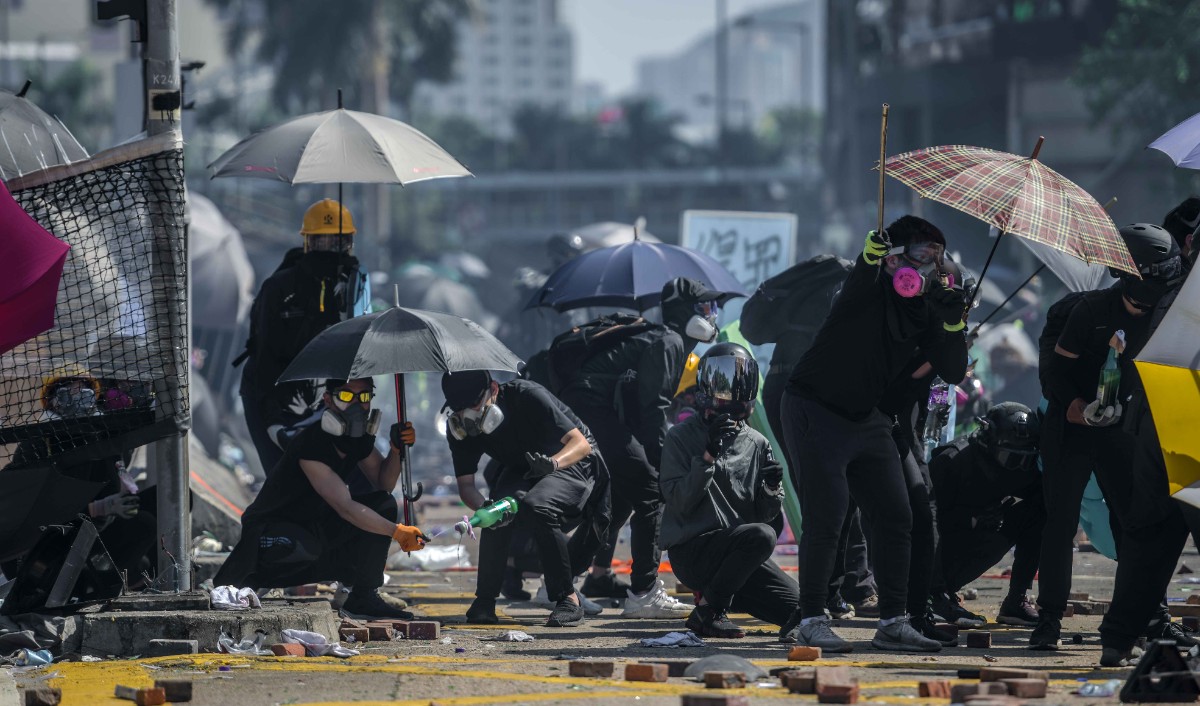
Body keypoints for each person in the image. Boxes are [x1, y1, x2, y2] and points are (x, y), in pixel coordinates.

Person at [779, 216, 968, 653]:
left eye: (939, 258)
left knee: (897, 515)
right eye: (923, 255)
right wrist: (869, 258)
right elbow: (860, 278)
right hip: (814, 408)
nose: (932, 267)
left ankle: (894, 622)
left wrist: (953, 323)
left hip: (869, 418)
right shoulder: (863, 288)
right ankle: (811, 618)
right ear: (894, 260)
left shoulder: (925, 310)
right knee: (828, 515)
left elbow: (954, 370)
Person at [1031, 223, 1176, 650]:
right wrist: (1073, 405)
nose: (1143, 305)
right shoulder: (1088, 311)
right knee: (1060, 523)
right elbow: (1056, 370)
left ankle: (1142, 617)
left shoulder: (1164, 313)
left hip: (1121, 430)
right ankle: (1049, 620)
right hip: (1071, 426)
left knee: (1133, 523)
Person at [564, 277, 730, 619]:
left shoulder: (669, 340)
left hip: (592, 411)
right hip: (591, 410)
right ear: (685, 311)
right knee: (651, 491)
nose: (712, 315)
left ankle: (559, 581)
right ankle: (644, 592)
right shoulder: (668, 340)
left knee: (622, 499)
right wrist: (662, 462)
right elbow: (652, 411)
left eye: (714, 307)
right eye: (705, 307)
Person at [214, 378, 425, 621]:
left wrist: (397, 450)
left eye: (364, 397)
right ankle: (253, 579)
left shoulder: (355, 441)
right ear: (328, 400)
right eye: (347, 396)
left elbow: (383, 483)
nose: (357, 404)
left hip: (313, 526)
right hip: (272, 533)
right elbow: (345, 507)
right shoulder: (311, 444)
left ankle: (363, 597)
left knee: (382, 504)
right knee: (304, 547)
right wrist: (397, 532)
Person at [741, 255, 879, 620]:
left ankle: (842, 587)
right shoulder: (850, 286)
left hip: (785, 386)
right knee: (832, 493)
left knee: (828, 490)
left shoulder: (820, 285)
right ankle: (838, 591)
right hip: (813, 390)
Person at [1098, 229, 1197, 667]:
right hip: (1191, 417)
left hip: (1155, 412)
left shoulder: (1172, 292)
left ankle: (1116, 640)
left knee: (1148, 539)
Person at [442, 370, 609, 628]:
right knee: (497, 509)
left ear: (493, 390)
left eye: (474, 406)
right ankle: (484, 602)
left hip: (570, 461)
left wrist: (553, 463)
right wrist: (484, 509)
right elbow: (466, 487)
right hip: (524, 467)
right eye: (459, 409)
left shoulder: (526, 395)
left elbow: (580, 444)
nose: (468, 415)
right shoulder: (460, 429)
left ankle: (567, 598)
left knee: (537, 506)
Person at [660, 343, 800, 639]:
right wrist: (707, 457)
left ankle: (717, 600)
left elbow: (766, 519)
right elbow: (680, 504)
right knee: (760, 536)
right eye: (725, 380)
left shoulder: (757, 442)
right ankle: (710, 611)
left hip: (738, 556)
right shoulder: (680, 437)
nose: (734, 391)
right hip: (693, 552)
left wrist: (772, 489)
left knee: (803, 612)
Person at [236, 200, 370, 477]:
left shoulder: (354, 288)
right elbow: (265, 360)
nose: (330, 249)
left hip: (324, 399)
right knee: (283, 482)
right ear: (309, 243)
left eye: (338, 242)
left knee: (342, 483)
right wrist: (275, 424)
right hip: (270, 395)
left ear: (349, 244)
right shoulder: (279, 288)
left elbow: (356, 357)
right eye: (322, 241)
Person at [4, 368, 158, 587]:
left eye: (84, 394)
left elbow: (113, 484)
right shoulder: (39, 444)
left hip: (95, 530)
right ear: (53, 402)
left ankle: (145, 580)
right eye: (68, 394)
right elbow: (36, 514)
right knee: (144, 524)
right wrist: (96, 509)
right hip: (52, 547)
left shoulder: (100, 436)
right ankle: (88, 584)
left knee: (159, 503)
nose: (77, 400)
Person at [927, 402, 1045, 628]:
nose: (1018, 467)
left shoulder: (1021, 466)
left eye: (1025, 460)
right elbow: (924, 525)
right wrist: (970, 519)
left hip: (978, 539)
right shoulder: (951, 463)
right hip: (937, 555)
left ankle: (1016, 599)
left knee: (1039, 510)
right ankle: (934, 596)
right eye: (1010, 459)